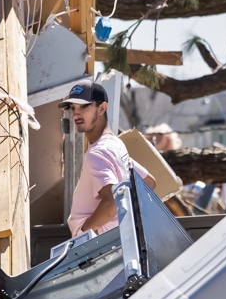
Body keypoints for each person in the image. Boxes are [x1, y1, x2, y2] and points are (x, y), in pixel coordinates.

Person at [63, 80, 156, 238]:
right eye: (73, 108)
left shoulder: (97, 153)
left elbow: (112, 201)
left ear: (102, 108)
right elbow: (149, 181)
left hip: (99, 248)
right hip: (117, 243)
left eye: (84, 106)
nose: (76, 114)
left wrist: (83, 236)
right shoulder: (115, 145)